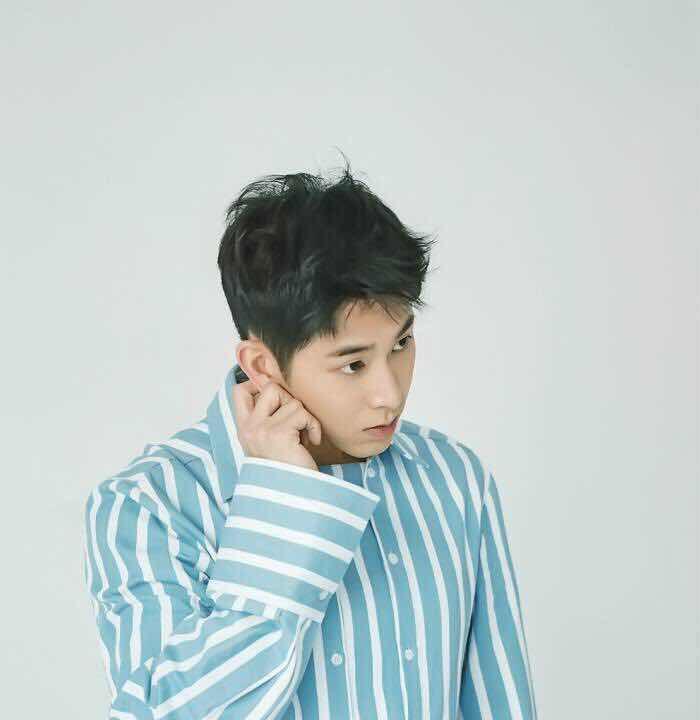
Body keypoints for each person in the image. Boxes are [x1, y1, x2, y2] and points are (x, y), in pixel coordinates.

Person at [82, 158, 537, 719]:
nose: (389, 394)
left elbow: (498, 701)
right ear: (262, 366)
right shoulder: (148, 504)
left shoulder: (453, 477)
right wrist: (284, 500)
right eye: (353, 364)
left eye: (401, 344)